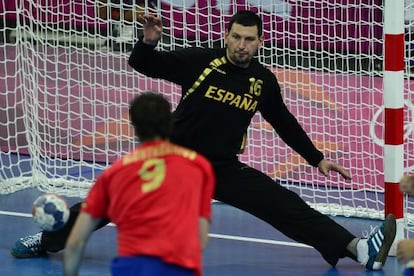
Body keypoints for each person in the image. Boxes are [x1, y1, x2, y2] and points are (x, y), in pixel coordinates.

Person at [11, 10, 396, 271]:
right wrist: (147, 42)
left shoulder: (263, 81)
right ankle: (47, 240)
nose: (242, 45)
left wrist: (316, 159)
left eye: (249, 39)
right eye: (236, 37)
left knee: (285, 205)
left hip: (221, 167)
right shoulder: (201, 61)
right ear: (225, 36)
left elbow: (283, 121)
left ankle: (357, 249)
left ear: (261, 42)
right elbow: (145, 64)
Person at [63, 92, 215, 276]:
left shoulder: (113, 173)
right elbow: (201, 239)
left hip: (131, 268)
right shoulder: (199, 167)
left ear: (134, 127)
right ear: (170, 123)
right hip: (179, 267)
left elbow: (75, 242)